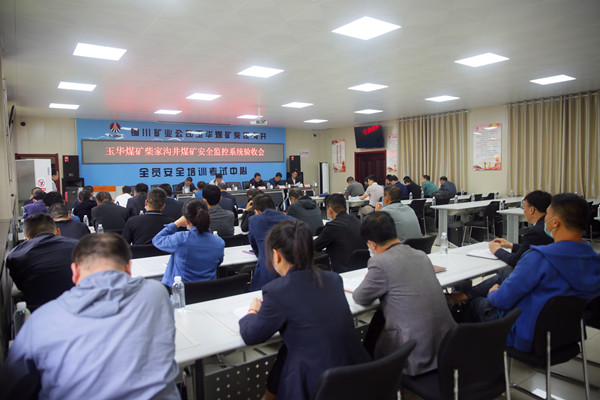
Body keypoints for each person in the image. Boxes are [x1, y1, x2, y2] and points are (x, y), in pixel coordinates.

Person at [2, 234, 180, 399]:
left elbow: (14, 388)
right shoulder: (156, 293)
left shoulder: (42, 320)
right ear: (129, 267)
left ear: (75, 271)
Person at [239, 220, 370, 400]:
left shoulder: (277, 291)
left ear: (276, 255)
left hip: (316, 385)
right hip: (357, 374)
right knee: (287, 352)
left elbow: (251, 335)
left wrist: (252, 311)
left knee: (288, 354)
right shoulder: (333, 279)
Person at [463, 193, 600, 353]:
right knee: (505, 277)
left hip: (528, 333)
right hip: (567, 333)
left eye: (547, 214)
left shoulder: (539, 258)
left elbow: (502, 301)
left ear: (555, 222)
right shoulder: (594, 258)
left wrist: (493, 292)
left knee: (474, 305)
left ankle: (469, 356)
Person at [353, 212, 455, 376]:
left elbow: (360, 297)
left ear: (371, 244)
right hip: (446, 346)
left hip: (413, 353)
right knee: (379, 318)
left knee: (373, 337)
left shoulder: (379, 262)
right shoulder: (421, 255)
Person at [6, 214, 77, 311]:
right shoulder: (79, 246)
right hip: (80, 309)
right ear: (58, 232)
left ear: (26, 239)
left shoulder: (15, 256)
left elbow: (21, 286)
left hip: (39, 313)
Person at [153, 198, 225, 287]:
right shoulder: (219, 243)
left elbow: (157, 240)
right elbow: (217, 263)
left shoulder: (181, 239)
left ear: (186, 220)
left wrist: (176, 223)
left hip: (182, 292)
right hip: (207, 291)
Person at [489, 190, 554, 266]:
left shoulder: (535, 232)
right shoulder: (550, 225)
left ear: (532, 210)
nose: (524, 211)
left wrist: (497, 250)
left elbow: (516, 261)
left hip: (536, 270)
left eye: (524, 207)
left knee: (502, 271)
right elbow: (530, 248)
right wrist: (510, 245)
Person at [247, 194, 294, 291]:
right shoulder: (292, 220)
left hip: (266, 276)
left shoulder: (254, 220)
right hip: (292, 274)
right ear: (275, 207)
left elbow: (254, 246)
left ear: (256, 211)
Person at [314, 194, 367, 273]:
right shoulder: (358, 221)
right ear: (346, 208)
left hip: (342, 271)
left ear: (330, 210)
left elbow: (314, 246)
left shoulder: (332, 226)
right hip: (362, 269)